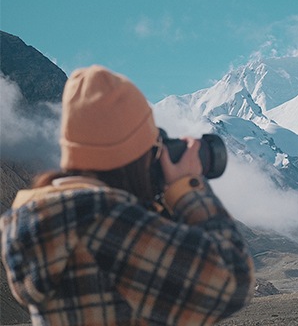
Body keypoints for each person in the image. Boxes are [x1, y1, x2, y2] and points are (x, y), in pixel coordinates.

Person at [0, 65, 254, 325]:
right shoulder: (102, 220)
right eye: (153, 146)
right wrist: (186, 186)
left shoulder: (43, 218)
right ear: (136, 157)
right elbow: (232, 279)